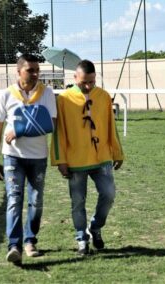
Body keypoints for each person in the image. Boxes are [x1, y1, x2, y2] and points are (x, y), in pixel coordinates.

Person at [51, 60, 124, 256]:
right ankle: (81, 238)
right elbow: (59, 132)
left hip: (102, 158)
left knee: (109, 194)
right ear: (75, 78)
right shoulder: (64, 99)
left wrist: (117, 152)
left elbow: (111, 127)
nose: (88, 86)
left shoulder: (103, 96)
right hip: (75, 161)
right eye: (84, 82)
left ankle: (96, 227)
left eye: (91, 82)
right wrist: (61, 160)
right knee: (78, 201)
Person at [0, 54, 57, 264]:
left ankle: (30, 240)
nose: (36, 74)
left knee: (36, 202)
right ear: (18, 72)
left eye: (37, 70)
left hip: (38, 157)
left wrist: (20, 130)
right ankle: (14, 246)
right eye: (31, 70)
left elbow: (50, 124)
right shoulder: (6, 95)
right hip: (13, 157)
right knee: (14, 200)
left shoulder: (47, 93)